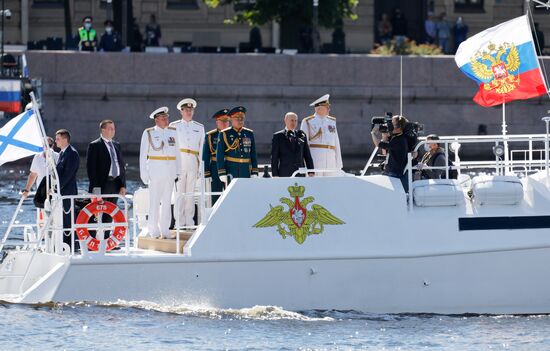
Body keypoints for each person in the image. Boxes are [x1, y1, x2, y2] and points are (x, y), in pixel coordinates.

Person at [139, 107, 180, 239]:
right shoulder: (149, 133)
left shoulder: (173, 132)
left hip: (169, 171)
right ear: (156, 120)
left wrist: (178, 171)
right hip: (155, 172)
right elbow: (143, 155)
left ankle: (165, 229)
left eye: (167, 118)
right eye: (163, 118)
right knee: (155, 202)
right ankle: (153, 229)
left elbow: (177, 153)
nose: (166, 120)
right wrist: (144, 174)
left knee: (167, 202)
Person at [170, 98, 205, 227]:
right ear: (181, 111)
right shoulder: (174, 126)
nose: (189, 112)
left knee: (190, 194)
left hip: (193, 163)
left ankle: (189, 222)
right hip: (180, 162)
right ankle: (179, 222)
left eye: (191, 110)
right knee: (179, 194)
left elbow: (201, 149)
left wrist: (201, 167)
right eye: (186, 110)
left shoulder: (199, 127)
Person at [300, 94, 343, 176]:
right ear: (318, 108)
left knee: (330, 184)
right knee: (315, 184)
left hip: (331, 160)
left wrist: (339, 163)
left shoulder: (332, 121)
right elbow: (304, 145)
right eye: (327, 107)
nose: (329, 109)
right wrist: (305, 164)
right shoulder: (307, 121)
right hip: (315, 160)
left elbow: (336, 142)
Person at [216, 106, 258, 185]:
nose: (240, 120)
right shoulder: (224, 133)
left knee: (245, 193)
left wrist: (254, 171)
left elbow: (253, 154)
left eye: (242, 118)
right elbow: (220, 155)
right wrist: (221, 172)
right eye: (237, 118)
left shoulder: (249, 133)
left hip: (245, 169)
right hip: (231, 168)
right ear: (231, 119)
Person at [86, 120, 126, 198]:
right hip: (102, 185)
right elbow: (91, 169)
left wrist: (123, 185)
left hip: (116, 184)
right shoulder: (94, 145)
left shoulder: (117, 145)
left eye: (114, 129)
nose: (113, 131)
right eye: (110, 128)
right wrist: (96, 189)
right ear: (103, 130)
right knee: (101, 209)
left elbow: (121, 166)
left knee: (113, 209)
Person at [55, 129, 80, 246]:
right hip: (62, 192)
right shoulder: (61, 153)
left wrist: (56, 189)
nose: (56, 141)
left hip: (68, 191)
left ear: (65, 139)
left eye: (58, 139)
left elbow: (68, 175)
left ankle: (70, 244)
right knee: (63, 219)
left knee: (68, 219)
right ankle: (64, 242)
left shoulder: (72, 153)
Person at [371, 115, 409, 192]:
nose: (389, 125)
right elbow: (384, 152)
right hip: (391, 171)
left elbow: (378, 144)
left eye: (391, 123)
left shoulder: (399, 140)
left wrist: (373, 133)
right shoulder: (396, 137)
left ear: (398, 127)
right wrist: (385, 135)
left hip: (394, 173)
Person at [271, 112, 314, 177]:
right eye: (291, 120)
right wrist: (275, 174)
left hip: (300, 173)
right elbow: (274, 158)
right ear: (285, 120)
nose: (293, 123)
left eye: (295, 121)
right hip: (285, 174)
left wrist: (311, 171)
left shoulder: (301, 135)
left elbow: (307, 155)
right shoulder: (278, 136)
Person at [202, 108, 230, 204]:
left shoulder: (233, 134)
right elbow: (205, 156)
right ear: (217, 122)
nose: (225, 123)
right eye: (222, 121)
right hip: (215, 168)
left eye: (227, 121)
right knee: (215, 196)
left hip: (230, 166)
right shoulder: (210, 136)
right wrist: (206, 173)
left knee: (230, 195)